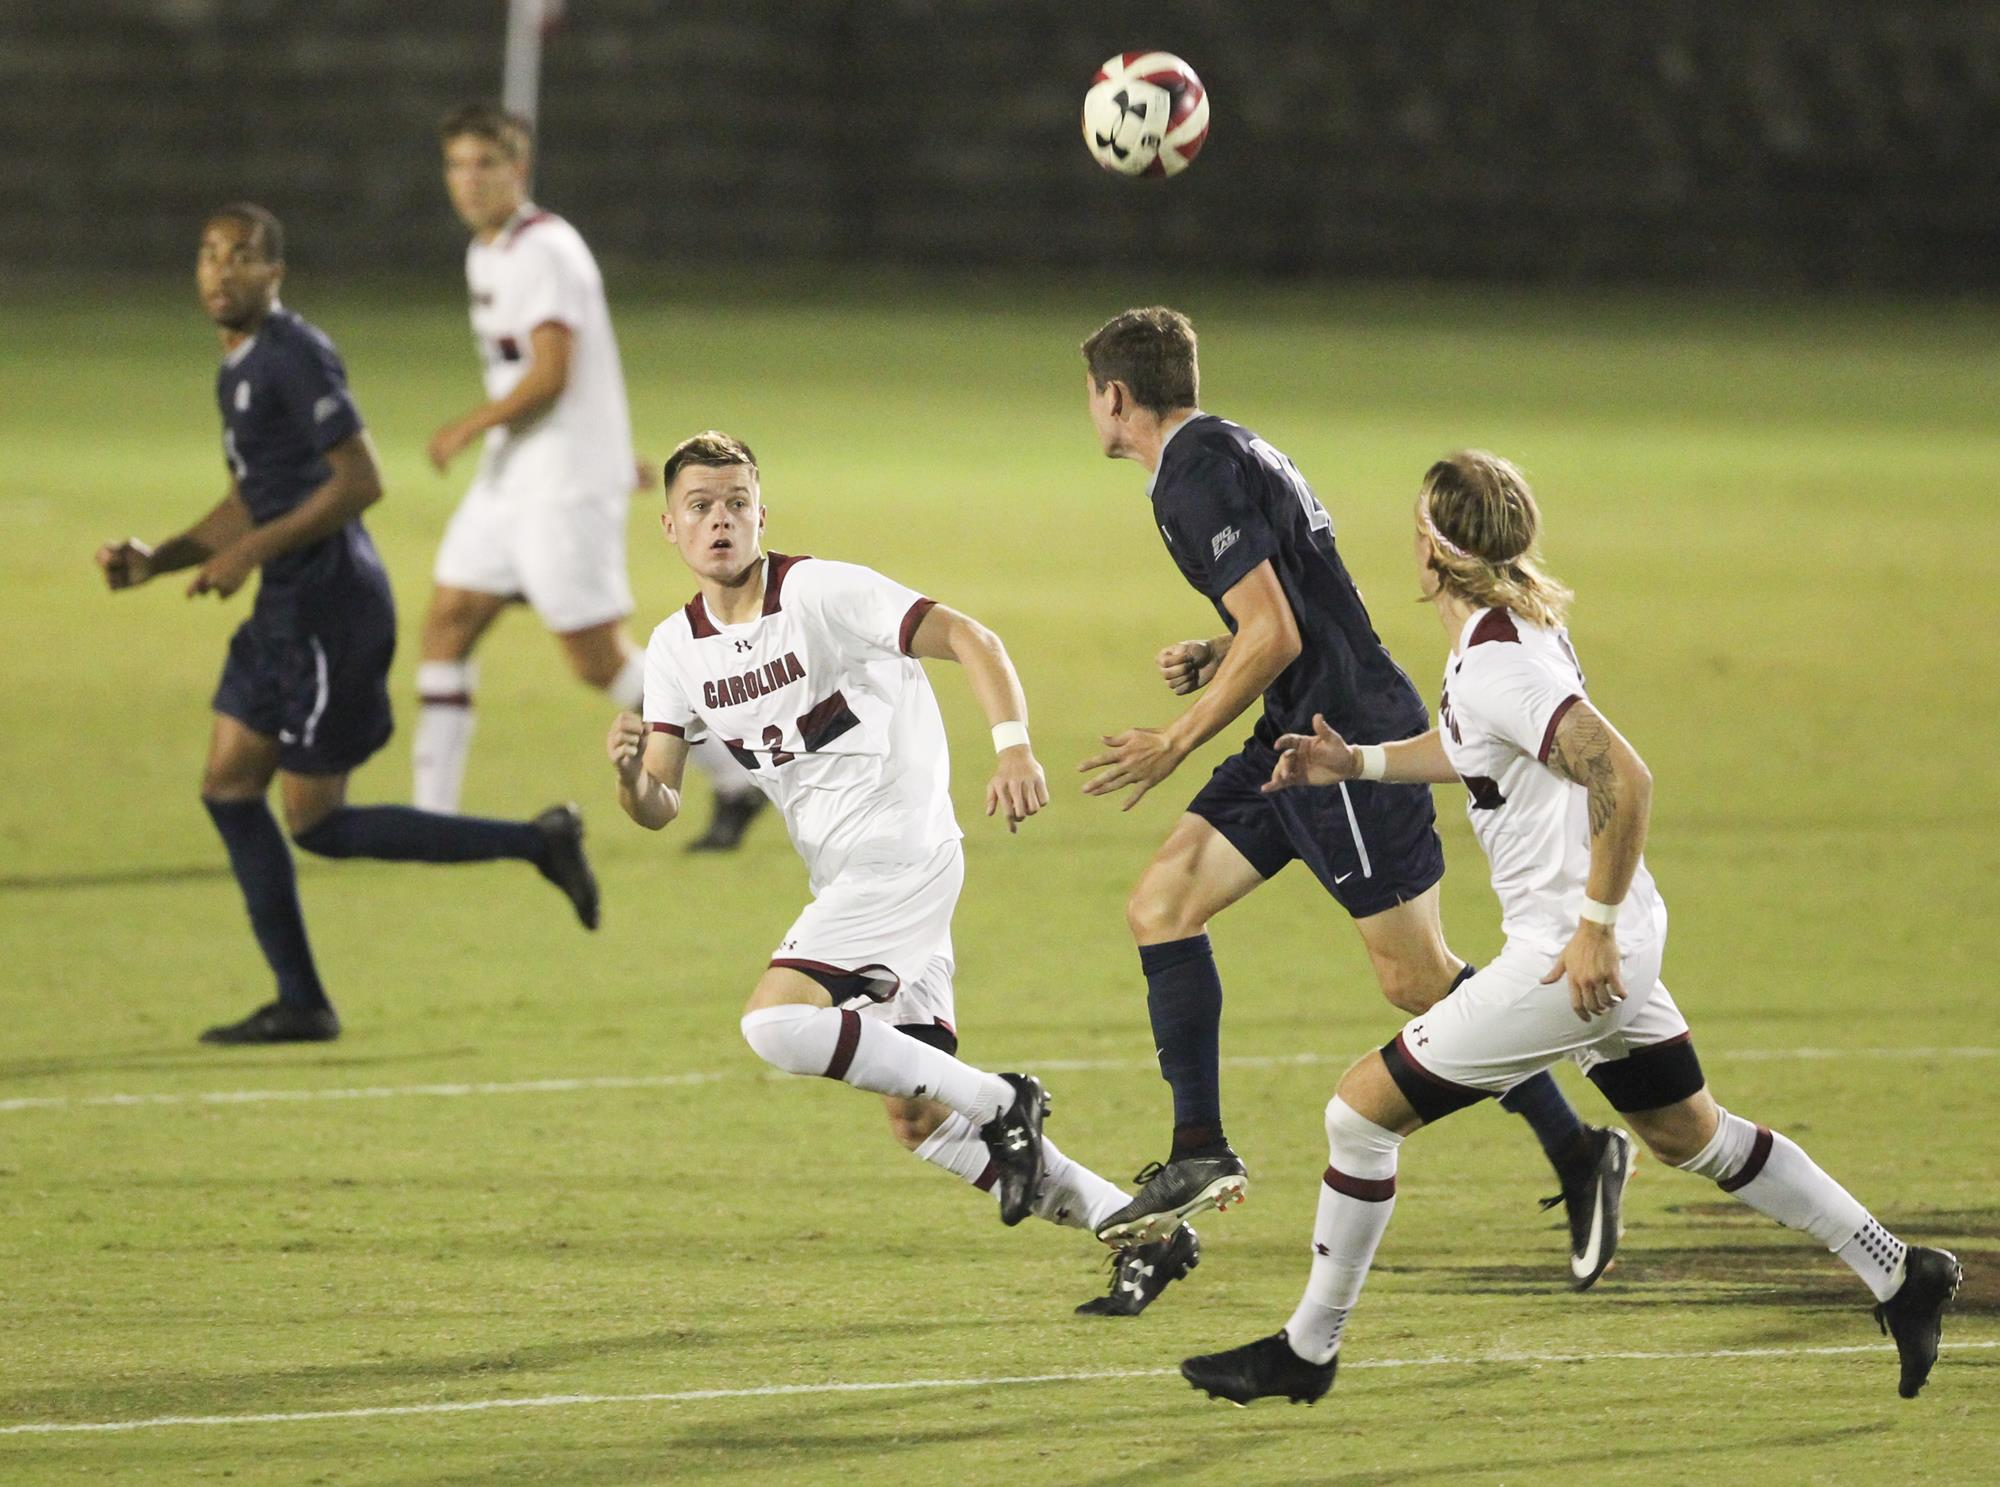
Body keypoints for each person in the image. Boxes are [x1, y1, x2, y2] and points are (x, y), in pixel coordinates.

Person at [1181, 450, 1962, 1405]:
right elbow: (1479, 749)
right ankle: (1900, 1270)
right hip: (1617, 940)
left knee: (1357, 1114)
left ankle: (1309, 1348)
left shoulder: (1502, 657)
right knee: (1690, 1135)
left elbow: (1622, 776)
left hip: (1572, 956)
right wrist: (1360, 764)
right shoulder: (1501, 634)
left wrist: (1589, 929)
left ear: (1432, 549)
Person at [1078, 307, 1622, 1284]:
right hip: (1292, 728)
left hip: (1345, 740)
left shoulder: (1194, 477)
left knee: (1417, 980)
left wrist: (1175, 735)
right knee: (1160, 905)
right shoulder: (1232, 447)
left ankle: (1579, 1147)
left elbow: (1279, 631)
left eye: (1090, 396)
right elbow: (1296, 605)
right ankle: (1198, 1144)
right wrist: (1219, 650)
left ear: (1114, 397)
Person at [607, 431, 1198, 1315]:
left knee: (774, 1024)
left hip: (902, 855)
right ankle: (1144, 1229)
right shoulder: (672, 650)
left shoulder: (823, 591)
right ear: (669, 527)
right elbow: (658, 804)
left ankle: (1006, 1098)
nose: (720, 519)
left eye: (736, 502)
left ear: (763, 513)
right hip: (849, 878)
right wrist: (628, 778)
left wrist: (1012, 746)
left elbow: (971, 636)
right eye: (701, 506)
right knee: (919, 1118)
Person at [95, 204, 599, 1045]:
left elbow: (361, 479)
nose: (221, 271)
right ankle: (300, 1002)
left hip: (332, 609)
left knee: (319, 824)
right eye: (209, 255)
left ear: (274, 273)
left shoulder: (294, 356)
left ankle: (538, 841)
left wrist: (251, 552)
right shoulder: (236, 367)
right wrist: (163, 558)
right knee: (226, 787)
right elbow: (253, 495)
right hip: (283, 605)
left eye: (243, 256)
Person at [419, 103, 765, 851]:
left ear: (520, 170)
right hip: (514, 479)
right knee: (447, 620)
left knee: (597, 660)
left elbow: (550, 375)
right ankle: (431, 822)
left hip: (560, 487)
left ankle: (738, 774)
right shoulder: (488, 252)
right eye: (456, 165)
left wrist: (466, 426)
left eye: (485, 164)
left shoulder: (547, 251)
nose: (468, 181)